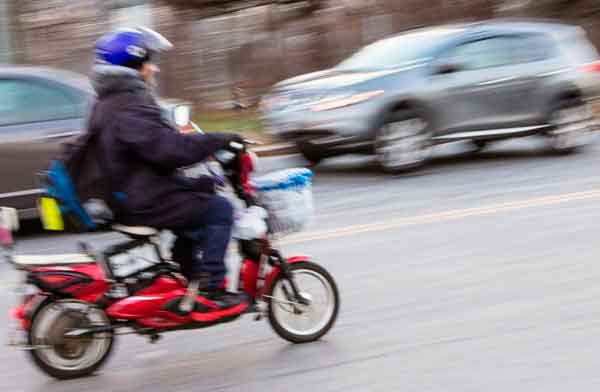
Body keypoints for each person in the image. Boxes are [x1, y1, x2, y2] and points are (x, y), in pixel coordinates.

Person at [88, 27, 248, 316]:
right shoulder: (129, 105)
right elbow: (168, 151)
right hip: (143, 200)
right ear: (132, 66)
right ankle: (213, 291)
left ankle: (191, 275)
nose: (154, 68)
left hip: (133, 192)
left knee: (200, 192)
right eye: (149, 61)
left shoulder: (109, 102)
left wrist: (197, 172)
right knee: (219, 210)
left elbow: (154, 150)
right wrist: (220, 138)